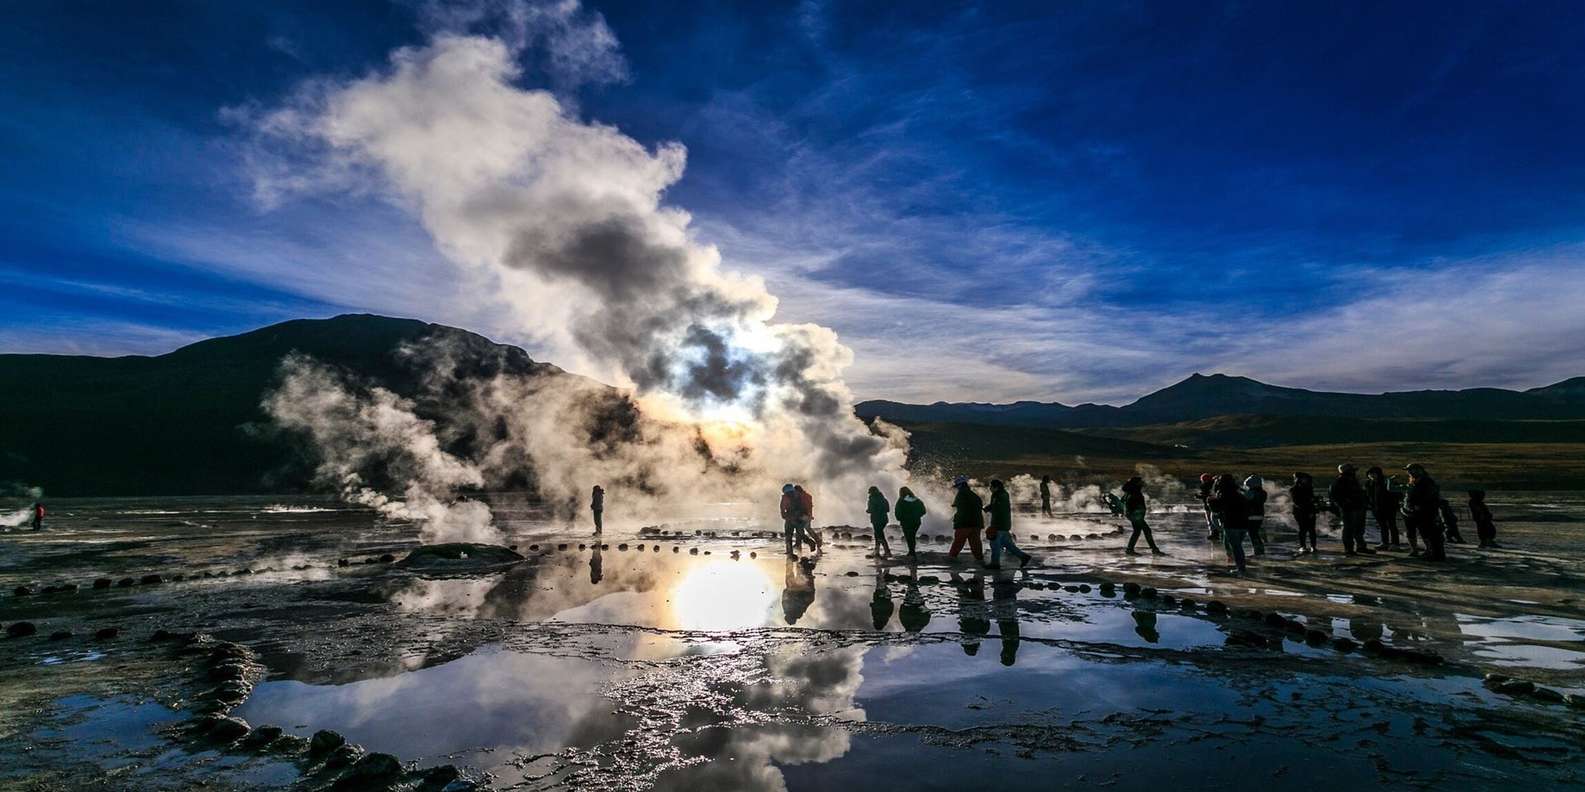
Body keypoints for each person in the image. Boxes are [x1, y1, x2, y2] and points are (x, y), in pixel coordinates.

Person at [983, 479, 1033, 570]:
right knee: (1008, 545)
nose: (990, 488)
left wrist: (987, 508)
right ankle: (1023, 557)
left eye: (991, 486)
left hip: (998, 523)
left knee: (994, 544)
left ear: (996, 487)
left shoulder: (997, 495)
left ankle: (995, 564)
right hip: (1005, 524)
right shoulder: (1004, 494)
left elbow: (996, 507)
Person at [1401, 463, 1445, 561]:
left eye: (1411, 470)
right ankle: (1420, 551)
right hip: (1411, 511)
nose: (1409, 472)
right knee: (1415, 531)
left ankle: (1431, 552)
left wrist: (1420, 505)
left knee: (1426, 532)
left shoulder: (1427, 482)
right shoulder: (1413, 481)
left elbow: (1430, 496)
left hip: (1424, 512)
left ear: (1419, 470)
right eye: (1408, 470)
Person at [1209, 474, 1250, 573]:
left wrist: (1211, 502)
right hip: (1244, 523)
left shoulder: (1224, 494)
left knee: (1236, 547)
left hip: (1231, 523)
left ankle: (1241, 569)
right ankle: (1240, 566)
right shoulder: (1239, 493)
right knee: (1237, 546)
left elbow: (1217, 509)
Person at [1329, 464, 1373, 556]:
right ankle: (1349, 549)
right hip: (1349, 509)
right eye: (1352, 470)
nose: (1354, 472)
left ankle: (1360, 547)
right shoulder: (1339, 481)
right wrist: (1345, 504)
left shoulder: (1353, 480)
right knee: (1349, 529)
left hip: (1358, 507)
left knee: (1359, 529)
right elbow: (1335, 496)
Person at [948, 476, 986, 564]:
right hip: (977, 523)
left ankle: (952, 558)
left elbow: (957, 506)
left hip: (964, 523)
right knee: (975, 542)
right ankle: (979, 559)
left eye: (957, 486)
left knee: (958, 542)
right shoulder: (974, 495)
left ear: (960, 485)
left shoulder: (961, 493)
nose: (956, 488)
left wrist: (956, 518)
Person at [1120, 476, 1162, 555]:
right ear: (1136, 483)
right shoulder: (1134, 492)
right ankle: (1154, 550)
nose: (1142, 483)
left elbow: (1123, 501)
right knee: (1146, 531)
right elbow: (1131, 505)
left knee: (1137, 531)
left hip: (1135, 515)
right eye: (1140, 482)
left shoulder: (1132, 491)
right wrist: (1137, 514)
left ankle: (1130, 549)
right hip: (1136, 516)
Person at [1365, 467, 1402, 550]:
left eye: (1373, 474)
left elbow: (1397, 494)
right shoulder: (1369, 483)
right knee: (1382, 526)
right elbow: (1368, 496)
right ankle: (1384, 543)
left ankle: (1395, 544)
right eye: (1370, 474)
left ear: (1378, 474)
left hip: (1389, 508)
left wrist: (1394, 504)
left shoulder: (1387, 482)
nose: (1371, 476)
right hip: (1376, 508)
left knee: (1392, 526)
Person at [894, 486, 927, 558]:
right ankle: (912, 551)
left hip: (906, 522)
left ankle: (911, 552)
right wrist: (917, 516)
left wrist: (900, 518)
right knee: (912, 536)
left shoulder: (901, 501)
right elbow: (923, 511)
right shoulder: (916, 500)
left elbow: (897, 512)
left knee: (909, 537)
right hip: (916, 522)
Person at [1290, 472, 1320, 554]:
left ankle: (1313, 546)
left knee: (1311, 529)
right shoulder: (1294, 489)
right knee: (1303, 529)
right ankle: (1303, 546)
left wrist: (1314, 500)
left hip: (1309, 510)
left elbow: (1310, 498)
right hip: (1301, 511)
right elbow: (1297, 502)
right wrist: (1310, 501)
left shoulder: (1309, 487)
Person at [1242, 475, 1268, 555]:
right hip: (1260, 514)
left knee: (1252, 533)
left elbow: (1245, 501)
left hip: (1250, 515)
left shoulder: (1250, 493)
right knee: (1255, 532)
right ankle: (1260, 549)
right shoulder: (1263, 493)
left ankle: (1258, 550)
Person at [866, 486, 892, 558]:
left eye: (870, 492)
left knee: (879, 535)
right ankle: (877, 551)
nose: (869, 494)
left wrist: (868, 510)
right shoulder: (884, 499)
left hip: (876, 519)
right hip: (884, 519)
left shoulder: (872, 500)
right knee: (878, 534)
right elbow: (888, 509)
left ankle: (886, 552)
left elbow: (870, 510)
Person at [794, 484, 821, 554]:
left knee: (800, 529)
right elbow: (810, 506)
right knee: (807, 529)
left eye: (795, 491)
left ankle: (799, 544)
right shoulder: (807, 496)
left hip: (804, 515)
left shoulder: (801, 497)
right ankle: (818, 541)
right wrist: (810, 515)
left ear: (797, 491)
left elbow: (803, 507)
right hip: (807, 515)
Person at [1198, 473, 1220, 541]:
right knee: (1216, 520)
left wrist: (1199, 496)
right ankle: (1218, 532)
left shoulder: (1205, 486)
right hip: (1217, 506)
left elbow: (1206, 495)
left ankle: (1214, 533)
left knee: (1210, 521)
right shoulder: (1216, 485)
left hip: (1209, 506)